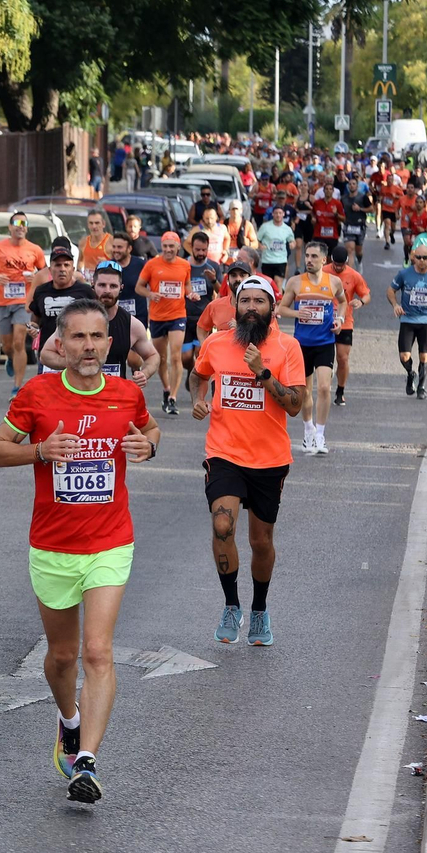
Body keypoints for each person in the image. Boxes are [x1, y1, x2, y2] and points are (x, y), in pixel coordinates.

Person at [0, 299, 161, 804]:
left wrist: (149, 446)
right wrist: (40, 451)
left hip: (110, 541)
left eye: (97, 336)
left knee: (98, 651)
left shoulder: (126, 393)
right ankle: (68, 719)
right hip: (53, 546)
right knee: (62, 657)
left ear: (110, 343)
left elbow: (149, 430)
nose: (88, 346)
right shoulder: (37, 393)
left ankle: (86, 760)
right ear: (60, 344)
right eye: (78, 337)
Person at [188, 277, 306, 647]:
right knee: (222, 525)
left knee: (260, 540)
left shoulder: (287, 347)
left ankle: (259, 609)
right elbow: (197, 375)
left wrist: (263, 374)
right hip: (224, 452)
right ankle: (231, 605)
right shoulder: (216, 343)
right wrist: (198, 399)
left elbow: (296, 405)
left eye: (259, 301)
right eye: (245, 301)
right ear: (235, 306)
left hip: (269, 459)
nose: (251, 307)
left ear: (272, 308)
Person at [276, 242, 348, 456]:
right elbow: (281, 309)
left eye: (314, 256)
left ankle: (320, 435)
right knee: (305, 391)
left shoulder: (333, 282)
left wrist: (340, 320)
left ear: (324, 260)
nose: (309, 260)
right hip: (301, 344)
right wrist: (298, 314)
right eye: (307, 255)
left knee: (324, 388)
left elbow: (343, 302)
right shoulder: (296, 282)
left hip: (325, 342)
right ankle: (308, 429)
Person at [43, 260, 161, 385]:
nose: (107, 291)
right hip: (79, 392)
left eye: (113, 286)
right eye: (102, 285)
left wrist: (144, 373)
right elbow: (46, 354)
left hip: (114, 394)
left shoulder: (132, 325)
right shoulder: (75, 319)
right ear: (93, 285)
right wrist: (74, 363)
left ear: (121, 288)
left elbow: (153, 356)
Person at [0, 212, 48, 394]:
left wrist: (35, 277)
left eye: (24, 223)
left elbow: (45, 272)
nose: (20, 226)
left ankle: (17, 386)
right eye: (17, 223)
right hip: (1, 301)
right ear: (10, 227)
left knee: (19, 342)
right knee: (8, 345)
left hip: (23, 301)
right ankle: (10, 358)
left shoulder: (34, 249)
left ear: (27, 228)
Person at [137, 231, 194, 415]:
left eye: (171, 246)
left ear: (178, 247)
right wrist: (150, 294)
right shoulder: (152, 264)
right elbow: (139, 287)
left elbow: (186, 285)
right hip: (157, 317)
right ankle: (166, 389)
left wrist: (190, 294)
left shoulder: (184, 265)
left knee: (175, 356)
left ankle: (173, 398)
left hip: (178, 315)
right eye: (165, 246)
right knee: (161, 358)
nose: (168, 249)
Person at [389, 245, 427, 399]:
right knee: (404, 356)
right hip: (407, 319)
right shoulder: (404, 274)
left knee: (424, 356)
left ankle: (421, 387)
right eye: (418, 257)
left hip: (426, 321)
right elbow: (390, 290)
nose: (421, 260)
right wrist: (395, 305)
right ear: (413, 257)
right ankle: (411, 374)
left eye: (425, 257)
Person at [29, 237, 99, 372]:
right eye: (58, 265)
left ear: (73, 269)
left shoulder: (85, 292)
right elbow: (35, 319)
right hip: (49, 355)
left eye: (66, 265)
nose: (62, 269)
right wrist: (33, 328)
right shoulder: (41, 291)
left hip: (78, 355)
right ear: (50, 269)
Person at [322, 245, 370, 407]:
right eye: (335, 264)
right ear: (331, 260)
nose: (338, 267)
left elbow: (366, 294)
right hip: (324, 321)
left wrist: (361, 301)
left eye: (341, 265)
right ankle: (325, 384)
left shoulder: (354, 275)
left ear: (347, 262)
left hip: (345, 321)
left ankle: (340, 390)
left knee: (342, 358)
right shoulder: (323, 271)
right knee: (325, 358)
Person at [180, 231, 220, 384]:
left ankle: (195, 379)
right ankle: (191, 371)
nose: (201, 253)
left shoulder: (214, 266)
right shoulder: (183, 265)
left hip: (204, 319)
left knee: (199, 352)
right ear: (191, 247)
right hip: (184, 316)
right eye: (198, 250)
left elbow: (222, 291)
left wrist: (213, 280)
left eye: (204, 250)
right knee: (185, 357)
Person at [106, 232, 149, 328]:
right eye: (114, 247)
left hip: (139, 317)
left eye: (119, 247)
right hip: (115, 317)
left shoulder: (141, 265)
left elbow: (153, 285)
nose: (116, 250)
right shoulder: (108, 266)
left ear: (129, 249)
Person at [254, 207, 296, 279]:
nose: (278, 215)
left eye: (280, 213)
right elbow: (256, 239)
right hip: (267, 260)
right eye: (276, 213)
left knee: (278, 282)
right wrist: (260, 245)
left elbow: (292, 240)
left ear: (283, 214)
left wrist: (292, 244)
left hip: (281, 260)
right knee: (268, 282)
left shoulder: (287, 229)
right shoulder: (265, 227)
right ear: (273, 214)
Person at [79, 210, 113, 274]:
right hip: (87, 279)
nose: (94, 226)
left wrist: (108, 263)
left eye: (97, 223)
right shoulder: (83, 242)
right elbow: (80, 262)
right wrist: (81, 271)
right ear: (88, 225)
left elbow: (121, 264)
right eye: (91, 223)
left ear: (103, 224)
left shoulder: (111, 241)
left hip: (105, 277)